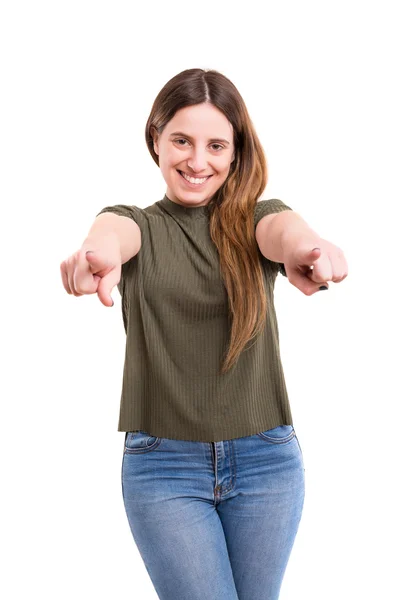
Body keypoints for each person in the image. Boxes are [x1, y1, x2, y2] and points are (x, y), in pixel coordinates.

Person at [60, 68, 348, 600]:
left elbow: (286, 235)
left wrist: (311, 249)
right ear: (156, 139)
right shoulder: (135, 224)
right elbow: (108, 237)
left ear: (235, 153)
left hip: (267, 460)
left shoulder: (259, 220)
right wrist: (93, 258)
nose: (198, 161)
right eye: (182, 141)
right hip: (163, 466)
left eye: (216, 145)